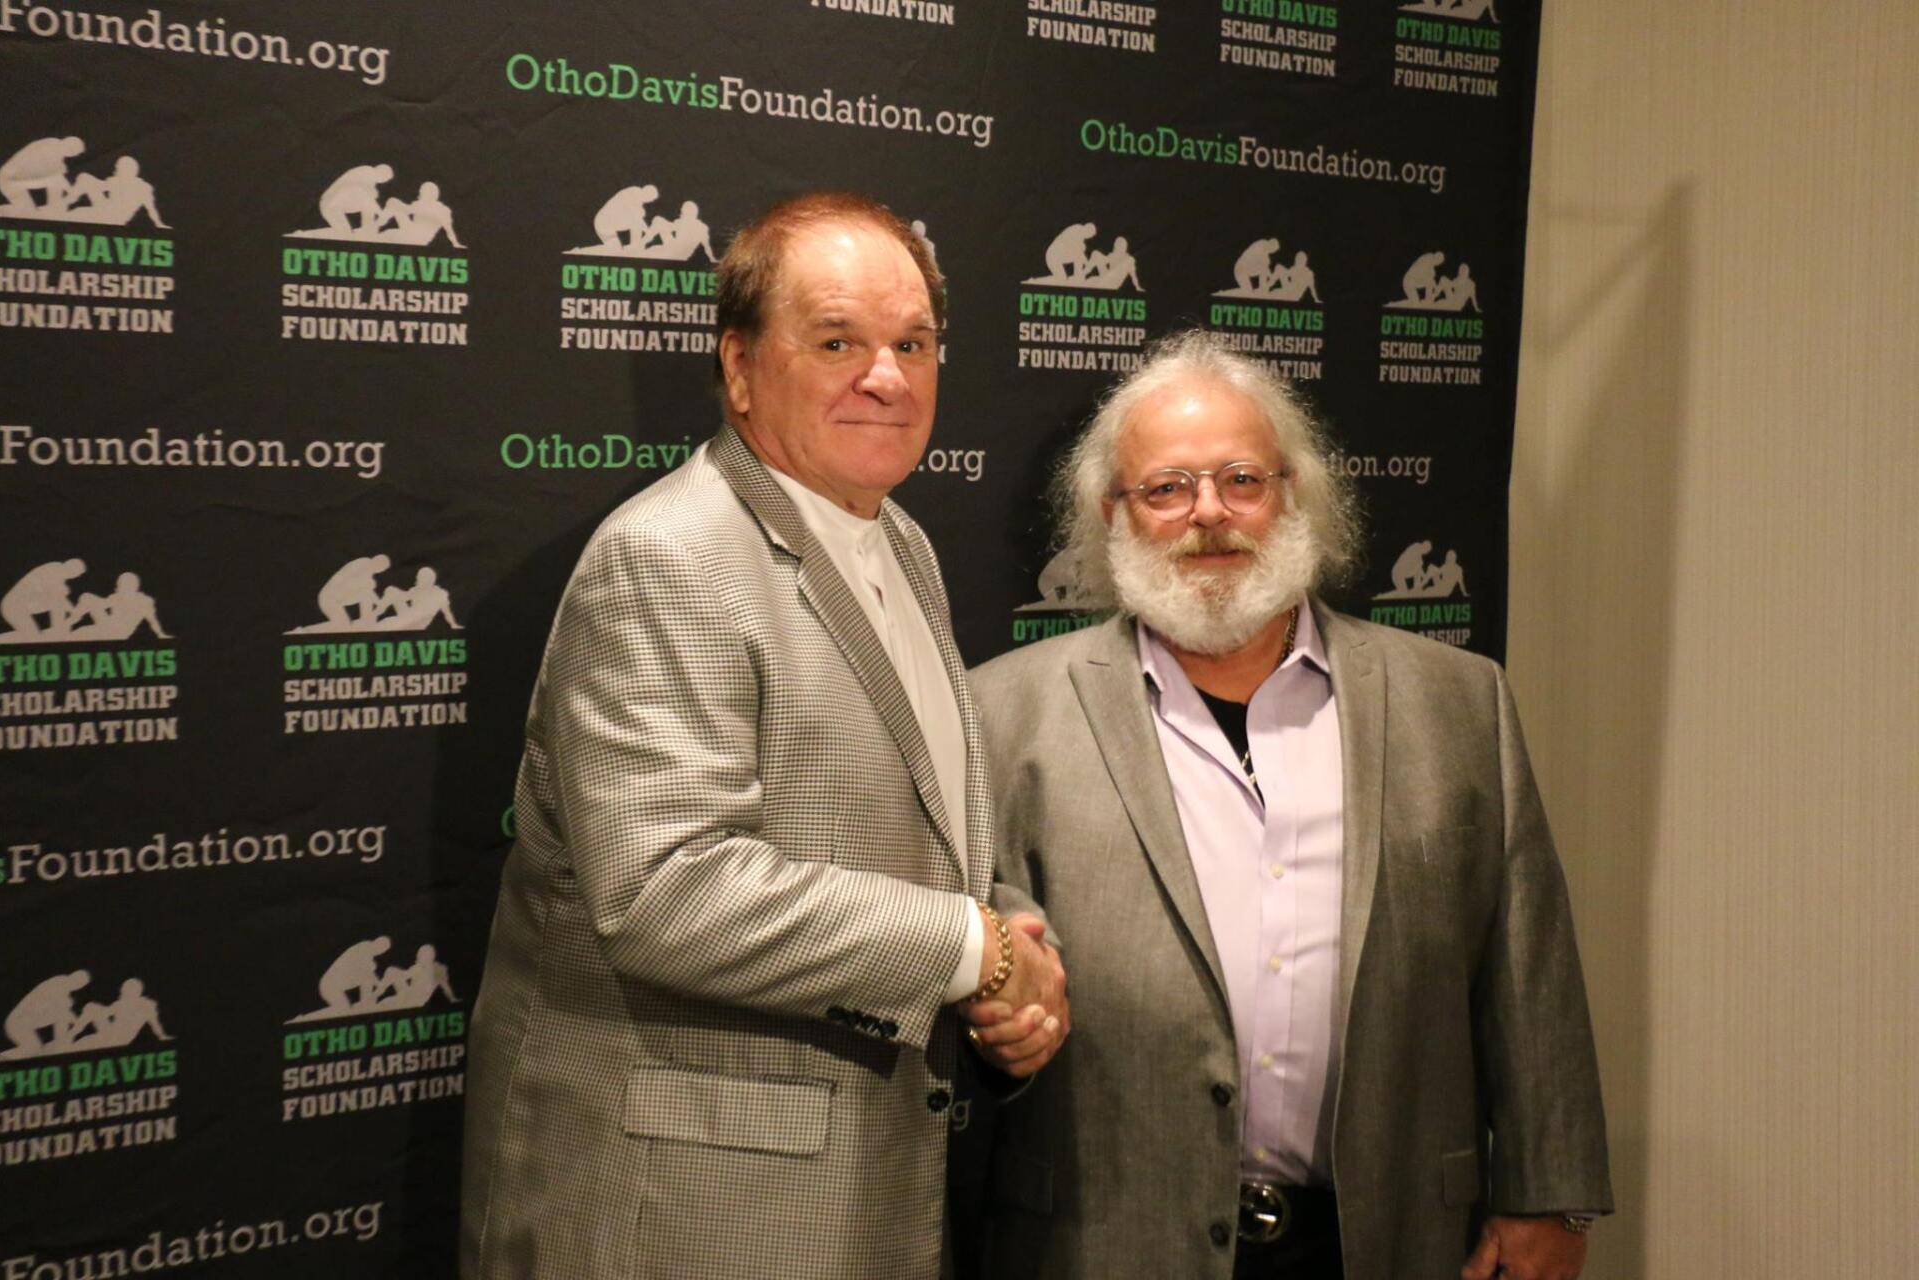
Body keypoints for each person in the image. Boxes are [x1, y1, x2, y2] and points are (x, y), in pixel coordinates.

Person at [461, 191, 1069, 1280]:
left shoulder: (904, 543)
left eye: (913, 343)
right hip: (686, 1210)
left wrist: (1011, 943)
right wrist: (975, 949)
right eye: (837, 340)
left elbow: (918, 828)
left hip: (853, 1186)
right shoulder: (671, 557)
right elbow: (665, 887)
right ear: (739, 369)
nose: (887, 375)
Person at [967, 329, 1610, 1280]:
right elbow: (974, 939)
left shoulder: (1458, 700)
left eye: (1242, 479)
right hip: (1107, 1240)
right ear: (1114, 516)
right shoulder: (1000, 709)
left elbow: (1528, 970)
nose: (1209, 514)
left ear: (1293, 496)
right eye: (1167, 488)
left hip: (1387, 1237)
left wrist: (1551, 1194)